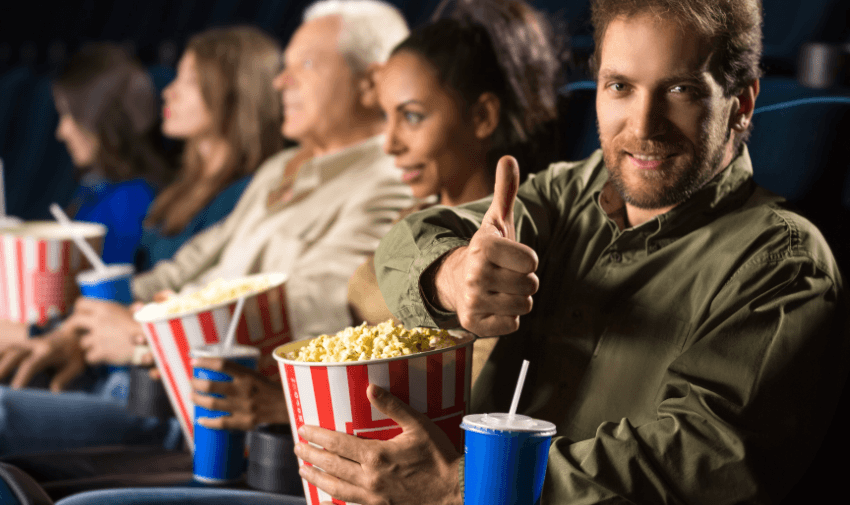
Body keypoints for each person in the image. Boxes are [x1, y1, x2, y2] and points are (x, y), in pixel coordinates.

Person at [294, 0, 850, 503]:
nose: (643, 125)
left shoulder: (783, 263)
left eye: (680, 89)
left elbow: (701, 463)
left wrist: (464, 487)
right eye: (620, 87)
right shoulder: (568, 191)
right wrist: (453, 272)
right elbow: (405, 243)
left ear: (742, 103)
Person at [0, 0, 413, 442]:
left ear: (372, 82)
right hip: (138, 367)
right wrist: (77, 331)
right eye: (284, 67)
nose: (281, 82)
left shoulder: (388, 181)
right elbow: (184, 267)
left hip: (199, 405)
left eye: (306, 65)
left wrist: (146, 337)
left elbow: (315, 305)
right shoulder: (283, 168)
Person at [0, 26, 284, 455]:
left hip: (151, 384)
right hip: (106, 352)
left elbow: (192, 304)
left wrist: (44, 328)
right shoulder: (182, 189)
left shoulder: (238, 199)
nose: (167, 92)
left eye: (188, 81)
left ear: (229, 94)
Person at [347, 0, 562, 385]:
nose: (390, 143)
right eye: (387, 116)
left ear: (482, 117)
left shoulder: (503, 246)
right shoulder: (414, 211)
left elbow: (464, 390)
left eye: (412, 116)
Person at [54, 43, 173, 268]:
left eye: (69, 115)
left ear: (100, 118)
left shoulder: (129, 202)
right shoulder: (95, 186)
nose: (61, 132)